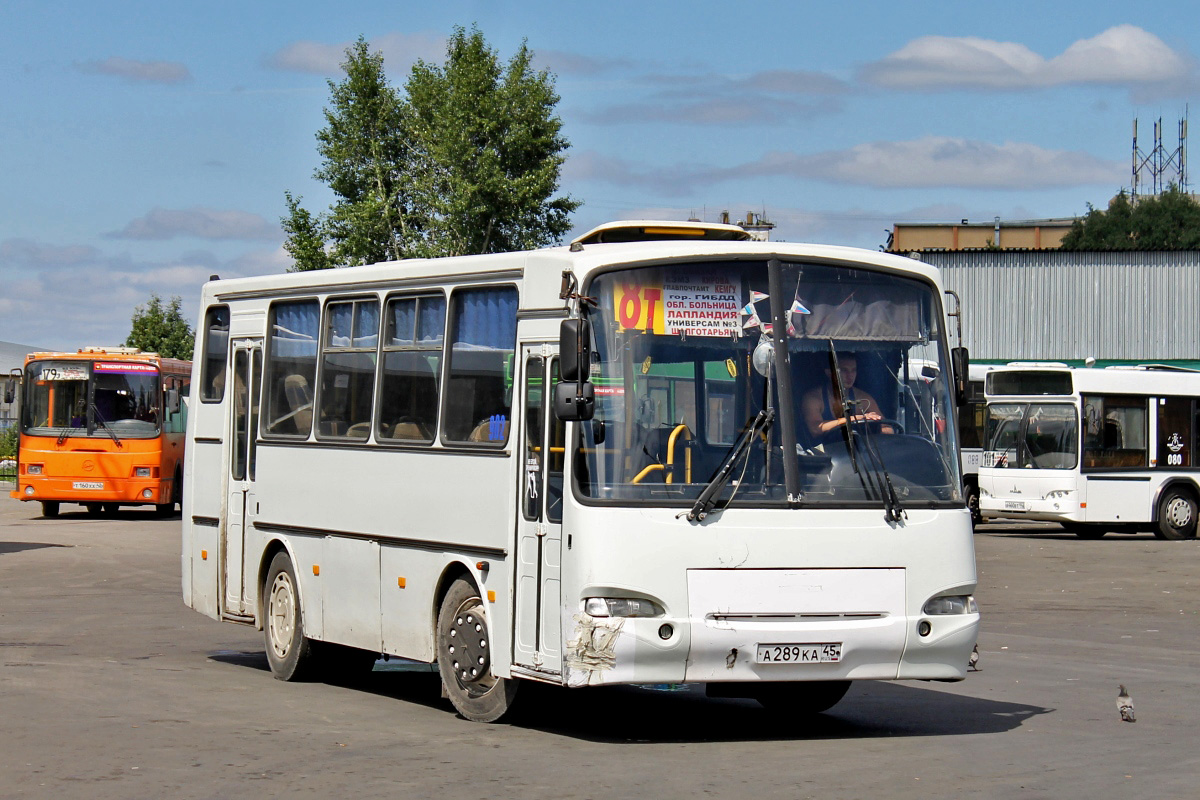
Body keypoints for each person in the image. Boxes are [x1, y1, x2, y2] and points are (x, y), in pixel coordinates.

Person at [801, 352, 892, 447]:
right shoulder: (813, 398)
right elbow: (815, 429)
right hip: (824, 456)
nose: (850, 376)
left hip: (858, 456)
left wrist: (876, 430)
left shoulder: (864, 399)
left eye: (853, 370)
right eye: (844, 370)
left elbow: (887, 427)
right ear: (829, 373)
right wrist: (855, 419)